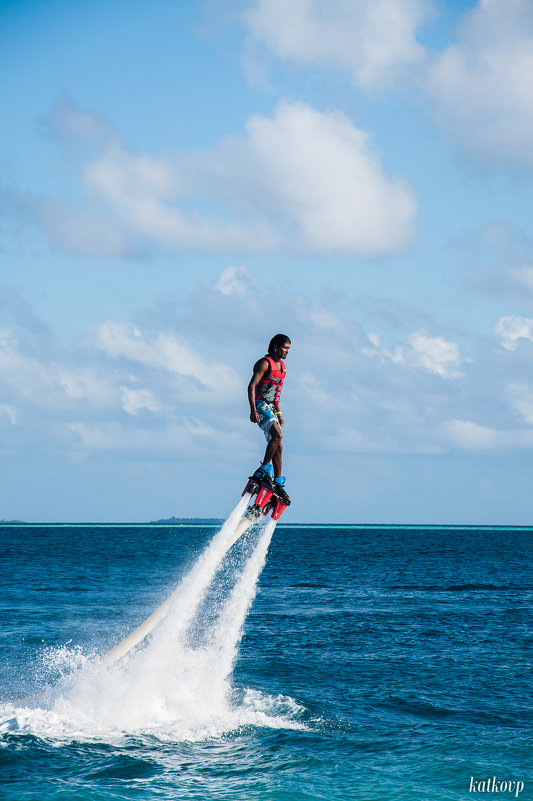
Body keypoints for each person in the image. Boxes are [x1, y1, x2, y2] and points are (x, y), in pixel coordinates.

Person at [248, 334, 291, 503]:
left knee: (278, 444)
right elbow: (251, 386)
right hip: (260, 405)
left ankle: (278, 482)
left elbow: (276, 394)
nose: (287, 351)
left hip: (271, 408)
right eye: (285, 348)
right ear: (276, 347)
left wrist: (279, 414)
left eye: (288, 348)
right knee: (277, 435)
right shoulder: (264, 363)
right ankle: (264, 469)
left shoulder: (282, 367)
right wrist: (253, 410)